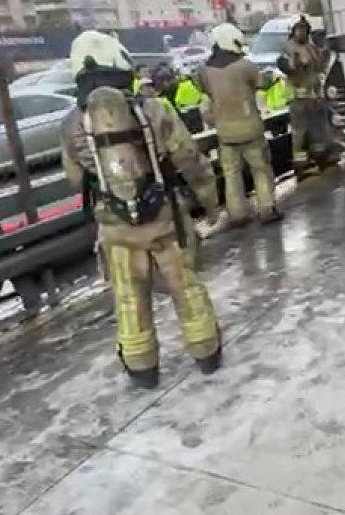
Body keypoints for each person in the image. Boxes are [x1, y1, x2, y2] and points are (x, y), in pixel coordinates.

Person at [60, 30, 223, 388]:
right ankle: (206, 354)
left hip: (115, 228)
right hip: (165, 221)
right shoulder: (155, 109)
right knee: (187, 287)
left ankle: (142, 368)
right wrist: (209, 202)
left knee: (129, 298)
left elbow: (74, 180)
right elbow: (190, 160)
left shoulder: (72, 123)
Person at [200, 22, 283, 227]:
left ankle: (237, 214)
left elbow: (206, 94)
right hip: (250, 129)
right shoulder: (244, 66)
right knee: (261, 169)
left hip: (224, 133)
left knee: (231, 175)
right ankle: (266, 208)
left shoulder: (204, 71)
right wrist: (271, 76)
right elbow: (261, 83)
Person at [278, 14, 333, 174]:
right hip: (298, 99)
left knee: (319, 131)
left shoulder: (311, 47)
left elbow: (320, 66)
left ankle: (321, 158)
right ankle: (301, 166)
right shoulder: (288, 49)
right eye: (298, 29)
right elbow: (288, 67)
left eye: (304, 29)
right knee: (299, 135)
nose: (302, 32)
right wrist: (296, 61)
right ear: (292, 31)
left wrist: (326, 51)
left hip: (315, 98)